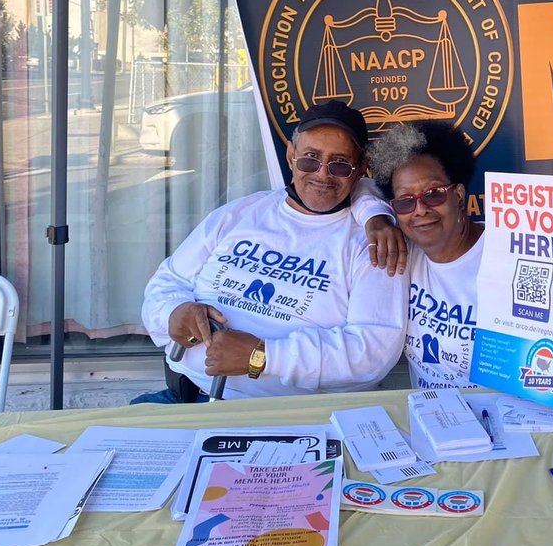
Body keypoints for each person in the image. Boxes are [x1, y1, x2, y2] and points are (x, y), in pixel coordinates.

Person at [136, 100, 407, 402]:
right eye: (310, 159)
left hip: (277, 413)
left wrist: (264, 356)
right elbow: (166, 282)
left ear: (360, 168)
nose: (322, 174)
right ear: (291, 156)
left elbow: (372, 351)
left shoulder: (373, 243)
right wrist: (173, 312)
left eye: (340, 164)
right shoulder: (242, 212)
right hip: (179, 396)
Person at [365, 121, 553, 390]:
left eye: (434, 194)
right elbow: (358, 190)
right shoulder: (401, 253)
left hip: (505, 409)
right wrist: (374, 218)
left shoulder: (516, 252)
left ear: (459, 196)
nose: (419, 209)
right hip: (432, 411)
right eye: (405, 201)